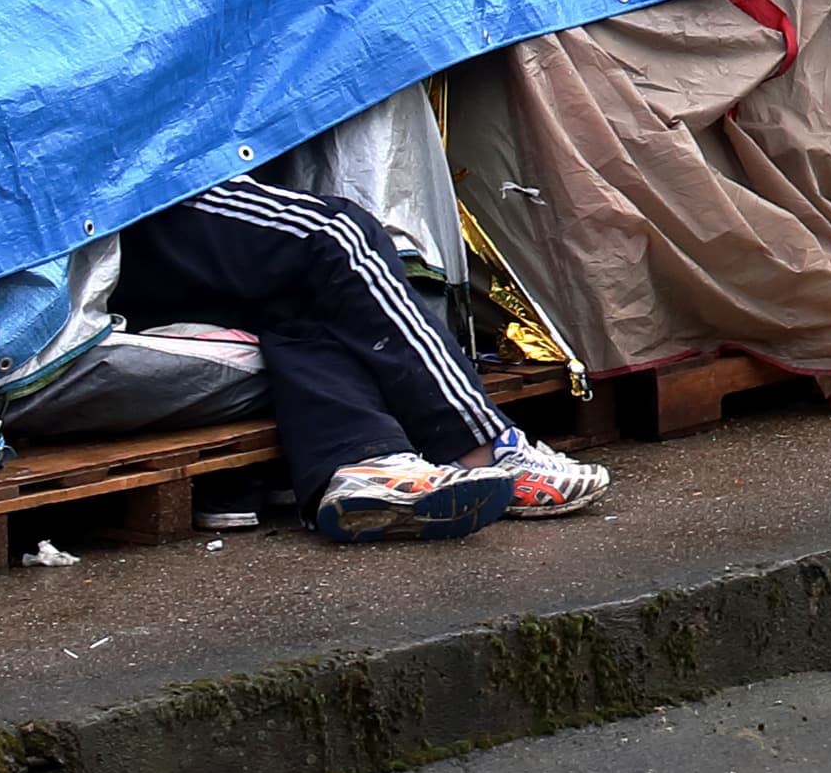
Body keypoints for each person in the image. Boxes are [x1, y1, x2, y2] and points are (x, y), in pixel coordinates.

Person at [120, 177, 612, 543]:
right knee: (334, 231)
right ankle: (476, 441)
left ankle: (361, 463)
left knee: (297, 296)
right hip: (107, 191)